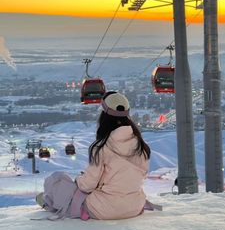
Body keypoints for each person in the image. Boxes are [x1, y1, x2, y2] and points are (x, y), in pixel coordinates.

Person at [36, 91, 151, 220]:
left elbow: (87, 185)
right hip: (134, 206)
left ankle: (49, 200)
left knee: (58, 178)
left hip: (105, 209)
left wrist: (79, 180)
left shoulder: (102, 147)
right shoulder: (141, 145)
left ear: (104, 117)